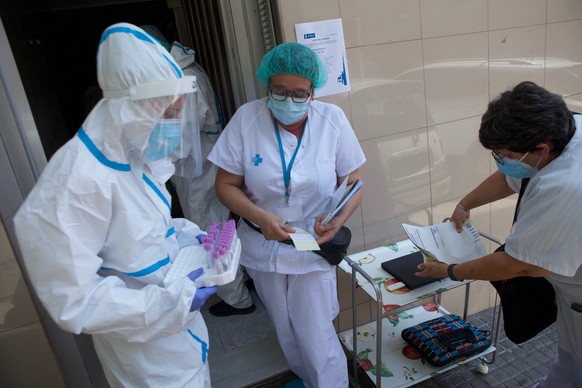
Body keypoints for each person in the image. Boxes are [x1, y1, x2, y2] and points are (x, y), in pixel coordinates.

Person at [13, 23, 218, 387]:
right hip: (147, 364)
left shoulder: (135, 155)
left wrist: (189, 237)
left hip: (181, 344)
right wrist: (170, 304)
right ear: (136, 107)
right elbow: (74, 301)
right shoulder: (74, 183)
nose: (174, 125)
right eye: (168, 114)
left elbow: (150, 232)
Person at [208, 42, 366, 387]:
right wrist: (260, 216)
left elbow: (353, 183)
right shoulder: (246, 119)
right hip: (262, 242)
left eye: (299, 93)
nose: (288, 100)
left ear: (313, 91)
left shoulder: (332, 120)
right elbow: (225, 185)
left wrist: (339, 220)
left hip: (313, 242)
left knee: (316, 330)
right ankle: (306, 379)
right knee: (285, 326)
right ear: (267, 85)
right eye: (279, 91)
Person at [416, 81, 582, 387]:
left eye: (503, 155)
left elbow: (514, 264)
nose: (500, 161)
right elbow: (511, 177)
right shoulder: (567, 130)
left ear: (541, 148)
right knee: (570, 362)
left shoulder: (566, 186)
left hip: (577, 290)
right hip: (570, 285)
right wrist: (466, 203)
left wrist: (450, 270)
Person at [140, 24, 256, 316]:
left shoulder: (185, 79)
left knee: (211, 234)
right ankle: (240, 284)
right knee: (217, 229)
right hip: (197, 166)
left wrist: (150, 150)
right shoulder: (183, 70)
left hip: (199, 169)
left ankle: (238, 299)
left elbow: (181, 138)